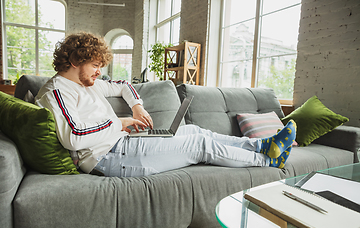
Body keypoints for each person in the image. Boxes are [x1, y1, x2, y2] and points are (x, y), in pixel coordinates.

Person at [35, 32, 297, 177]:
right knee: (200, 145)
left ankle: (263, 144)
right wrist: (120, 123)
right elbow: (75, 136)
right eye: (94, 65)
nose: (98, 72)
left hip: (120, 146)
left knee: (196, 132)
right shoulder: (57, 91)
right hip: (107, 158)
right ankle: (267, 162)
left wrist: (137, 106)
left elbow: (125, 86)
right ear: (73, 60)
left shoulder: (87, 83)